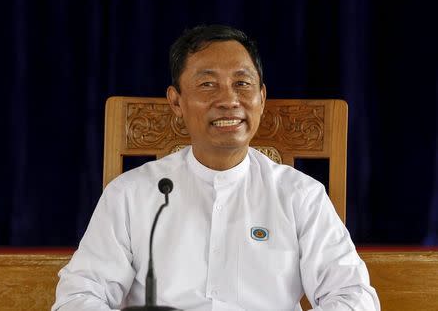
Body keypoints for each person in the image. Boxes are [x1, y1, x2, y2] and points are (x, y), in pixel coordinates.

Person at [52, 25, 380, 311]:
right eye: (208, 85)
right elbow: (77, 296)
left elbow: (354, 296)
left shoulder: (300, 195)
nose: (228, 100)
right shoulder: (131, 193)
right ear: (176, 102)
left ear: (262, 99)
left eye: (242, 83)